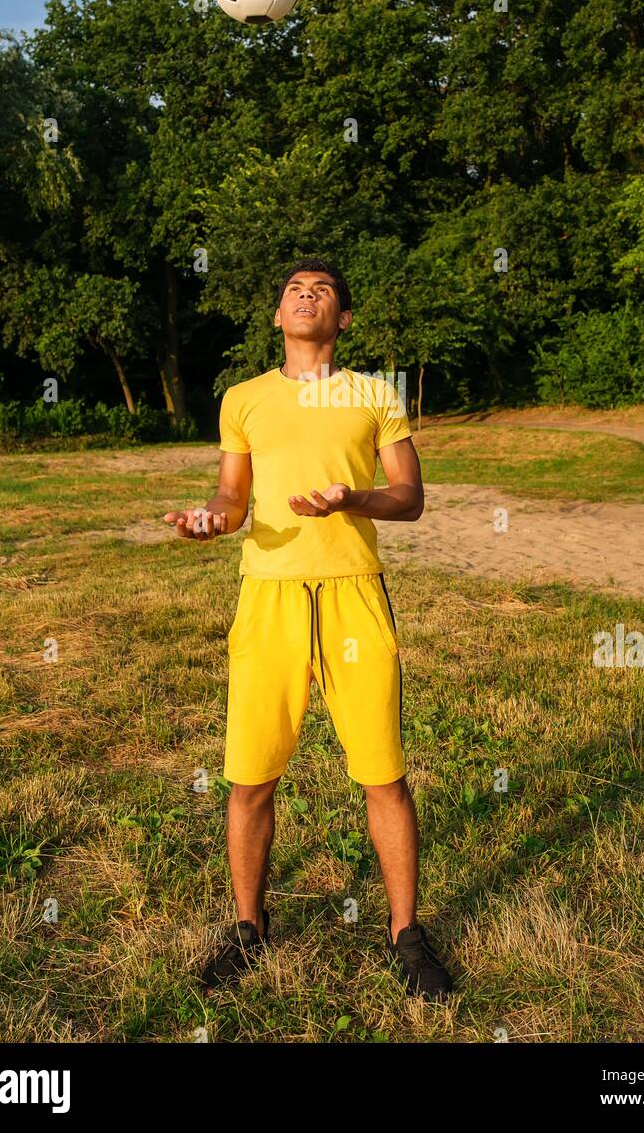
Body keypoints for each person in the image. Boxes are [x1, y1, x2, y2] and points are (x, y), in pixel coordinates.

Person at [164, 257, 453, 1001]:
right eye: (293, 288)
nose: (305, 295)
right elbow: (231, 497)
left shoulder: (373, 396)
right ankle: (248, 929)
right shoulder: (243, 399)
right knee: (250, 777)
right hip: (268, 600)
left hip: (356, 595)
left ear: (343, 319)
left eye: (322, 290)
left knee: (383, 775)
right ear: (276, 315)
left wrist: (354, 497)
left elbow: (411, 497)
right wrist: (209, 523)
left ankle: (406, 936)